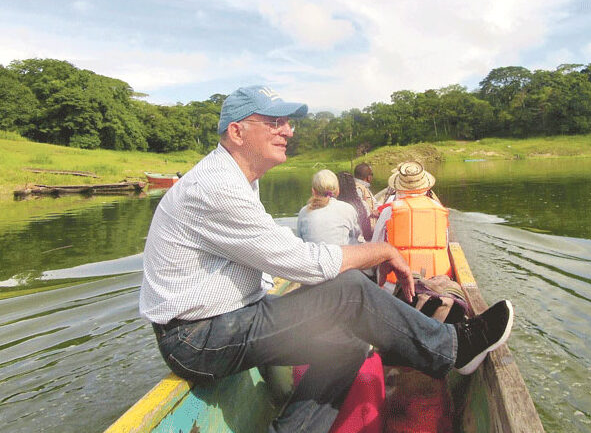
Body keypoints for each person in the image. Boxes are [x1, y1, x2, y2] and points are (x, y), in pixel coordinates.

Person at [139, 85, 514, 433]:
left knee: (347, 344)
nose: (288, 130)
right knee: (350, 291)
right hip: (198, 338)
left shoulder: (239, 180)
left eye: (287, 122)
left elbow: (277, 244)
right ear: (237, 133)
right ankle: (451, 349)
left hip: (230, 319)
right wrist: (382, 250)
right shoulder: (216, 186)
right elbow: (303, 262)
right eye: (273, 122)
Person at [297, 169, 361, 245]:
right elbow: (357, 234)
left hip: (314, 256)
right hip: (342, 255)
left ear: (313, 191)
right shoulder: (348, 209)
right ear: (338, 190)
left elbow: (300, 238)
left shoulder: (304, 211)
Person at [336, 171, 373, 241]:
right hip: (360, 245)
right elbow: (367, 234)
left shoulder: (334, 208)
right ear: (354, 186)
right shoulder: (363, 204)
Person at [353, 163, 380, 228]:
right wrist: (373, 212)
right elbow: (359, 208)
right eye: (372, 174)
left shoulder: (358, 187)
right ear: (368, 177)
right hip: (364, 230)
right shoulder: (358, 189)